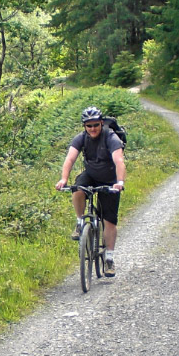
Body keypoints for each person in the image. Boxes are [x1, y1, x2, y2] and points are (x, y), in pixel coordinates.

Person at [55, 106, 126, 277]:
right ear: (84, 126)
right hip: (91, 175)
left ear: (101, 123)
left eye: (95, 125)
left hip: (109, 179)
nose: (92, 129)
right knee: (77, 188)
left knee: (109, 221)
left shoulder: (111, 137)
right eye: (89, 126)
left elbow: (119, 161)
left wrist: (119, 182)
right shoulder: (81, 138)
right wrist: (64, 179)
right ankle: (80, 223)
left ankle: (109, 259)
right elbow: (70, 158)